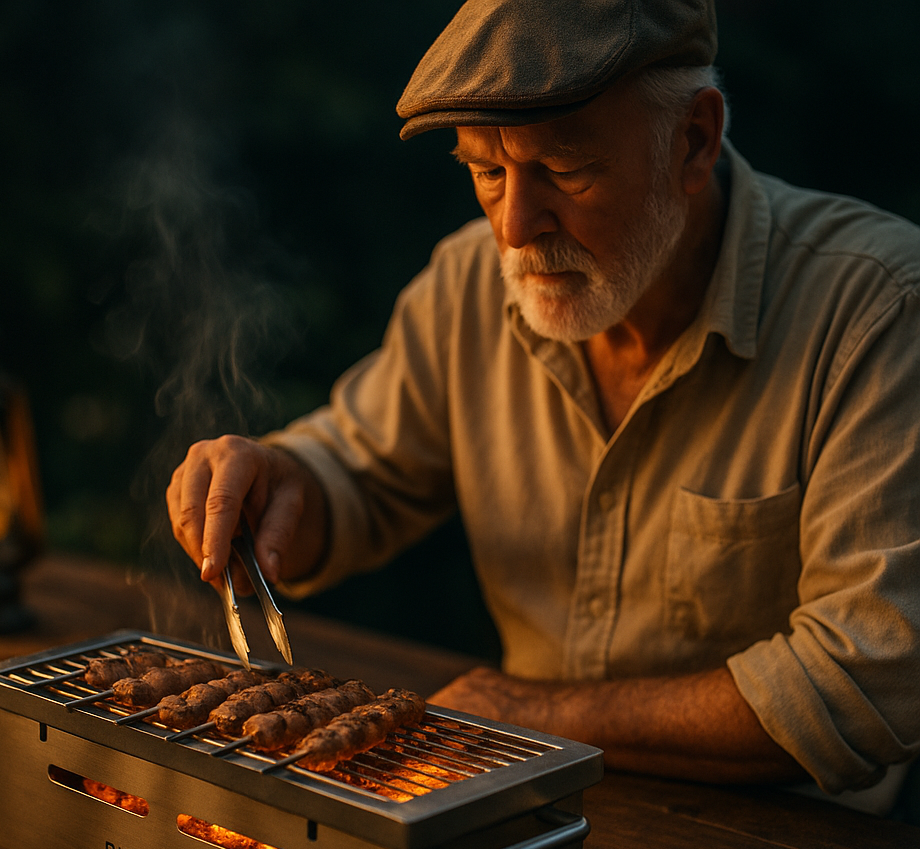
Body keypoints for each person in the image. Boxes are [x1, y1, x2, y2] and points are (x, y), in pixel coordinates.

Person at [167, 0, 920, 806]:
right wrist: (283, 483)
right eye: (486, 171)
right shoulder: (467, 283)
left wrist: (528, 714)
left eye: (565, 168)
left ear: (693, 140)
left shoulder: (876, 307)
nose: (517, 228)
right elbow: (360, 471)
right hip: (524, 807)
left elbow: (873, 676)